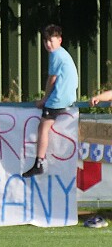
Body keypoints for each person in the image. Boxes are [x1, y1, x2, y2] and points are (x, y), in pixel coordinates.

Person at [23, 25, 78, 177]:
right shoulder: (63, 53)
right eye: (45, 41)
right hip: (68, 96)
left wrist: (44, 99)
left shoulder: (56, 55)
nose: (48, 44)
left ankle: (39, 162)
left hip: (59, 98)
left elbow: (52, 79)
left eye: (51, 40)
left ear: (59, 40)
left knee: (43, 127)